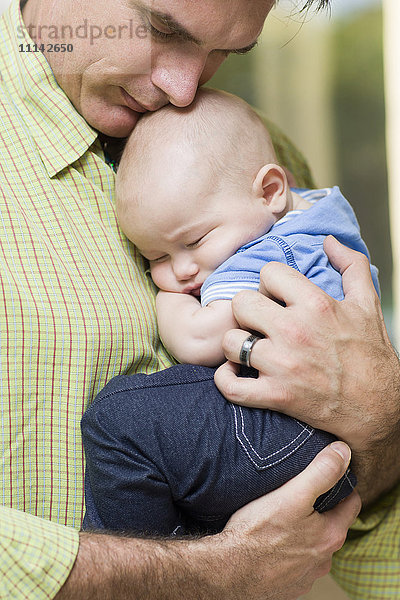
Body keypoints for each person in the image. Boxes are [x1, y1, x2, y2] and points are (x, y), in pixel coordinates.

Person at [0, 0, 394, 597]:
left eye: (223, 53)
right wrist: (209, 575)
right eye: (162, 28)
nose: (184, 88)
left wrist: (383, 419)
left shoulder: (263, 156)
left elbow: (364, 527)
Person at [81, 88, 377, 535]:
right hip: (320, 441)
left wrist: (167, 299)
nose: (181, 269)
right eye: (154, 258)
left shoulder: (265, 253)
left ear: (270, 191)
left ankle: (148, 567)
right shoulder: (317, 216)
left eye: (195, 241)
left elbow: (200, 341)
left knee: (119, 419)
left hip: (285, 434)